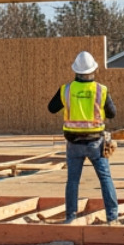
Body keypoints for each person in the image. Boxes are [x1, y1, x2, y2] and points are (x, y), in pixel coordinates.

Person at [46, 50, 119, 224]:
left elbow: (51, 108)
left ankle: (70, 216)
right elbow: (112, 113)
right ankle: (112, 216)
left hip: (73, 143)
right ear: (93, 70)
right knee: (105, 178)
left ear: (76, 70)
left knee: (72, 181)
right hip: (95, 143)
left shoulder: (67, 90)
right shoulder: (100, 90)